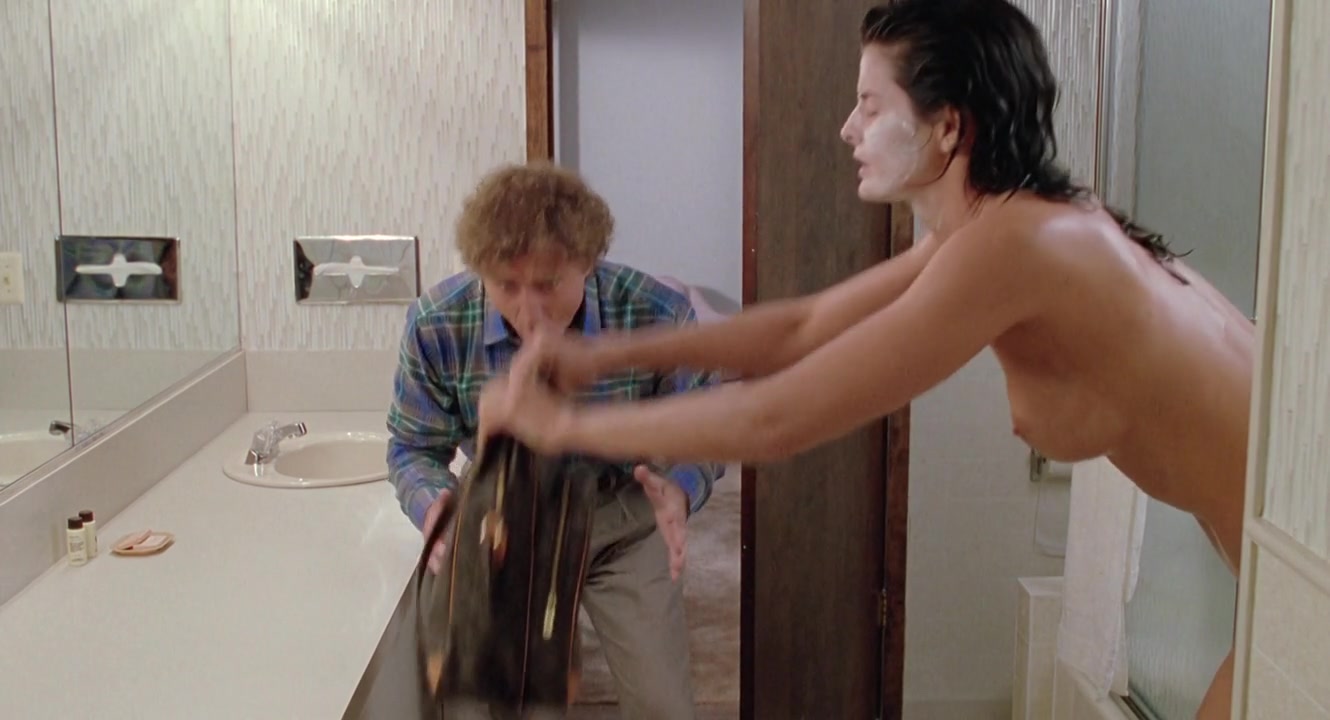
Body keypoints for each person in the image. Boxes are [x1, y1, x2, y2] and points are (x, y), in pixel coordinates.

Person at [475, 2, 1252, 718]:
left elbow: (777, 420)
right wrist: (599, 355)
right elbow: (800, 328)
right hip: (1265, 566)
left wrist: (560, 425)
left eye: (872, 107)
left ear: (947, 127)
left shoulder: (1019, 244)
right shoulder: (1003, 225)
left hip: (1294, 560)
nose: (848, 128)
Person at [386, 161, 725, 719]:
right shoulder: (437, 323)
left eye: (548, 284)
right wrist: (433, 505)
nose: (530, 311)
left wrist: (681, 488)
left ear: (588, 263)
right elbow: (412, 447)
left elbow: (707, 422)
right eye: (506, 286)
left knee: (662, 703)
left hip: (622, 516)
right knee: (509, 702)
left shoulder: (657, 312)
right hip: (507, 521)